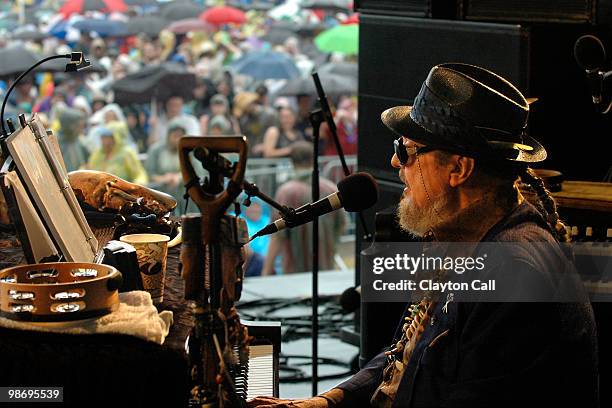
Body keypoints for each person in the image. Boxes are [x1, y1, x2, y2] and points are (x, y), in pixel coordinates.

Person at [248, 64, 598, 407]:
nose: (396, 162)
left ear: (459, 169)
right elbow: (404, 355)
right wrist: (329, 400)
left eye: (406, 150)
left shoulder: (512, 272)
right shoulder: (458, 241)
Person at [262, 141, 345, 275]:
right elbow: (341, 224)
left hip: (295, 272)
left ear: (292, 161)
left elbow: (278, 236)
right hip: (325, 268)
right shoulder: (331, 189)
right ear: (313, 159)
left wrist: (266, 271)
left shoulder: (286, 192)